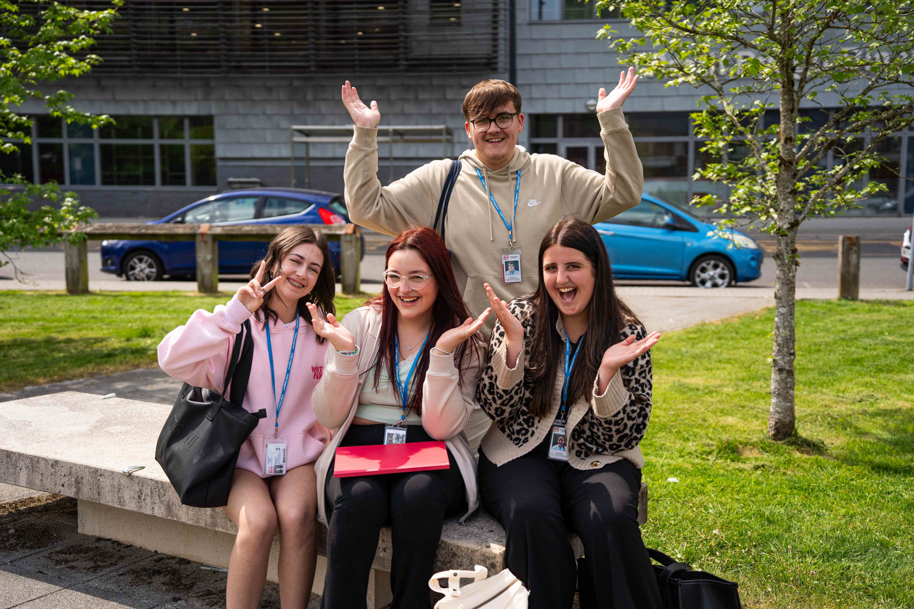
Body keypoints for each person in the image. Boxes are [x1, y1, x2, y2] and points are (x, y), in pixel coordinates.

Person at [342, 71, 642, 449]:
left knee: (531, 460)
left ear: (519, 121)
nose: (493, 128)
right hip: (470, 353)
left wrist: (611, 120)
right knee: (468, 459)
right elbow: (365, 208)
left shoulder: (555, 173)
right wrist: (365, 136)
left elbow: (624, 192)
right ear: (469, 128)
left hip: (546, 350)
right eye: (482, 120)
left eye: (502, 117)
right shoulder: (443, 179)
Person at [476, 217, 662, 609]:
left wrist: (607, 376)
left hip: (599, 457)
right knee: (531, 512)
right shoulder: (519, 317)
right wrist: (512, 349)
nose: (562, 278)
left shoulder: (626, 332)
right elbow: (494, 407)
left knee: (609, 519)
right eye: (551, 268)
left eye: (573, 266)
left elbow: (625, 437)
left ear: (597, 270)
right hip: (519, 452)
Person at [310, 226, 488, 609]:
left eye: (416, 277)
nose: (403, 288)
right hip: (361, 445)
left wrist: (441, 354)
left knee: (418, 498)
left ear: (441, 277)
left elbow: (442, 427)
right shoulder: (361, 324)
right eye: (393, 276)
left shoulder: (464, 338)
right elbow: (328, 415)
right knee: (358, 502)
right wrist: (342, 357)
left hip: (431, 447)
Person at [158, 226, 335, 609]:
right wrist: (232, 313)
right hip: (236, 455)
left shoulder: (320, 333)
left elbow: (339, 400)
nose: (302, 274)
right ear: (274, 263)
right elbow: (170, 358)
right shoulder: (236, 327)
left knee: (296, 516)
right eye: (296, 261)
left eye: (314, 268)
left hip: (297, 457)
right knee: (257, 524)